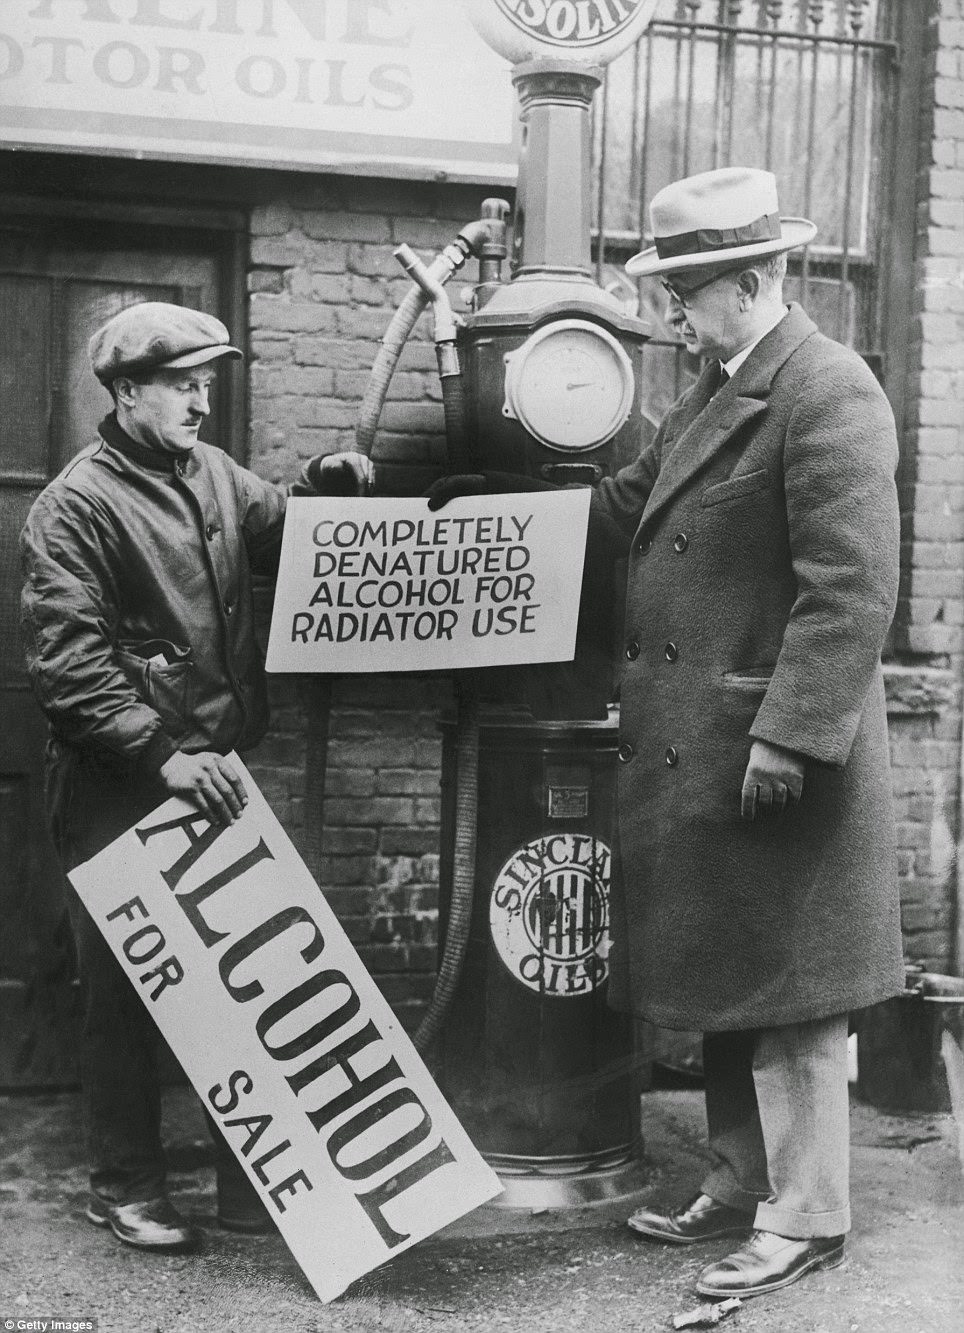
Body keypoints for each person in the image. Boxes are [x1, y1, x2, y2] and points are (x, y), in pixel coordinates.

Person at [427, 165, 903, 1300]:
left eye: (687, 297)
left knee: (791, 993)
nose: (675, 321)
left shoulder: (827, 389)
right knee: (735, 977)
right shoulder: (716, 389)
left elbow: (851, 590)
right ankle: (740, 1180)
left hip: (774, 749)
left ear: (746, 283)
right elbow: (621, 507)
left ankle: (807, 1215)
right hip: (709, 746)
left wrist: (790, 737)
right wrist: (487, 503)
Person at [20, 301, 373, 1253]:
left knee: (232, 984)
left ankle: (248, 1183)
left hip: (210, 773)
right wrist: (163, 755)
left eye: (207, 383)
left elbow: (282, 532)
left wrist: (324, 491)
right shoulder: (76, 505)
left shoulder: (212, 474)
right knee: (125, 992)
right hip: (122, 782)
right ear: (128, 390)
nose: (201, 401)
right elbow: (68, 664)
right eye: (182, 384)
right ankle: (125, 1185)